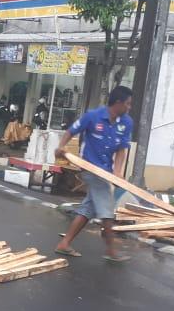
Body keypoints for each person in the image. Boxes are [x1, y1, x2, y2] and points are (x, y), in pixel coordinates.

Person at [53, 86, 134, 262]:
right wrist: (61, 147)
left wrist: (118, 173)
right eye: (127, 104)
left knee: (88, 209)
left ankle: (64, 243)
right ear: (118, 103)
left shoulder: (126, 122)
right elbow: (71, 131)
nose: (129, 107)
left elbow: (122, 150)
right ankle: (111, 250)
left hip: (107, 172)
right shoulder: (93, 116)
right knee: (106, 209)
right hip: (90, 169)